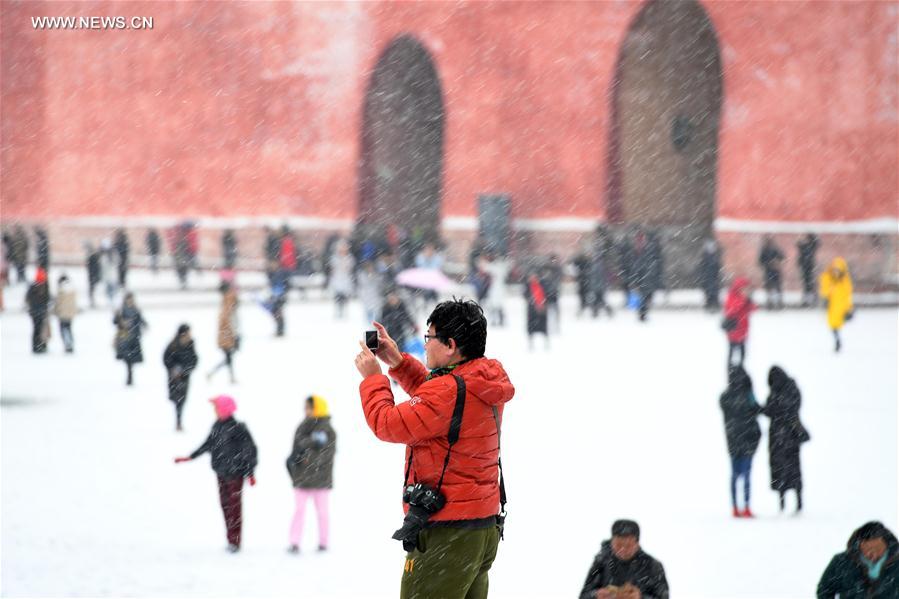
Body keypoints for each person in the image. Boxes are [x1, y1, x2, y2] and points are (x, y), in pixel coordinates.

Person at [354, 299, 514, 599]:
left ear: (450, 345)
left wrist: (374, 379)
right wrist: (398, 363)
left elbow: (386, 423)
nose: (424, 345)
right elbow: (439, 403)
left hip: (447, 533)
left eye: (429, 338)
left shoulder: (447, 392)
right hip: (480, 529)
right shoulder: (481, 378)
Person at [174, 395, 258, 553]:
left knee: (234, 508)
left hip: (235, 475)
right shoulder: (217, 426)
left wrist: (250, 472)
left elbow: (250, 451)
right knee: (225, 506)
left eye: (216, 407)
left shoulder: (239, 428)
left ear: (225, 409)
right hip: (220, 472)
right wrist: (190, 456)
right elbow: (208, 444)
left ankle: (235, 541)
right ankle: (230, 540)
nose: (214, 410)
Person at [287, 395, 337, 554]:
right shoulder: (301, 427)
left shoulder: (328, 430)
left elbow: (327, 454)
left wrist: (309, 459)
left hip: (321, 479)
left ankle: (323, 542)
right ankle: (294, 542)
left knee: (322, 512)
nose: (306, 411)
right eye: (305, 407)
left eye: (309, 407)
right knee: (299, 511)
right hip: (301, 478)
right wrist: (295, 463)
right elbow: (296, 450)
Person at [579, 520, 670, 599]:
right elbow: (583, 595)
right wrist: (595, 595)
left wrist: (641, 597)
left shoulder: (653, 565)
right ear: (612, 542)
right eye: (618, 544)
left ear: (637, 544)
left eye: (628, 545)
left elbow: (663, 597)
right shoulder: (601, 562)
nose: (622, 549)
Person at [763, 366, 809, 513]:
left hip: (778, 437)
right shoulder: (792, 389)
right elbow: (791, 408)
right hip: (791, 437)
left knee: (780, 469)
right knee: (794, 470)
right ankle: (798, 500)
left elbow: (770, 410)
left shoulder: (776, 392)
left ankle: (782, 502)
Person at [719, 365, 761, 518]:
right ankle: (747, 506)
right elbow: (758, 409)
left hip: (732, 440)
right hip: (748, 440)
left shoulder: (725, 397)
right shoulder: (747, 396)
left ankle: (735, 507)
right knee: (747, 475)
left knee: (734, 475)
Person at [817, 521, 899, 598]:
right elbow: (824, 590)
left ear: (886, 545)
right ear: (859, 545)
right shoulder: (841, 561)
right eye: (867, 549)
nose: (872, 554)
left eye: (877, 548)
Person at [164, 324, 198, 431]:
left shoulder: (190, 344)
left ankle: (179, 421)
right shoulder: (173, 345)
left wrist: (186, 369)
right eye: (188, 332)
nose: (189, 335)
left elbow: (194, 359)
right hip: (174, 378)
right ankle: (178, 421)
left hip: (185, 377)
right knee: (177, 399)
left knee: (182, 400)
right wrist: (174, 369)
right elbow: (166, 359)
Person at [819, 256, 853, 352]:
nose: (836, 272)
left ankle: (837, 340)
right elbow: (824, 289)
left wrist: (849, 309)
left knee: (835, 324)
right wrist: (825, 299)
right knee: (833, 324)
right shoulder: (828, 278)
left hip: (841, 306)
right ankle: (837, 340)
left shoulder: (845, 280)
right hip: (832, 305)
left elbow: (847, 295)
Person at [208, 282, 240, 383]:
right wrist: (234, 334)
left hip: (226, 333)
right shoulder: (228, 301)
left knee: (228, 357)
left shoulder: (227, 301)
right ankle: (229, 376)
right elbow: (229, 319)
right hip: (228, 334)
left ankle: (214, 373)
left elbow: (227, 318)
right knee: (228, 357)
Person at [113, 292, 147, 386]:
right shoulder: (121, 310)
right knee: (127, 357)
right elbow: (115, 322)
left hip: (134, 336)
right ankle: (129, 374)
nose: (130, 301)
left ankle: (130, 374)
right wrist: (118, 317)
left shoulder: (136, 310)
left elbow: (140, 320)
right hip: (125, 336)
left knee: (132, 357)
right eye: (128, 299)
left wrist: (145, 325)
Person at [722, 277, 756, 369]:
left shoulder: (746, 298)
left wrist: (749, 301)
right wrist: (743, 299)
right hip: (734, 330)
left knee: (742, 352)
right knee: (732, 351)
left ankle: (741, 368)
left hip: (743, 330)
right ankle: (730, 369)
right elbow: (730, 310)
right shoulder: (732, 296)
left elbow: (754, 309)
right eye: (744, 288)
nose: (746, 291)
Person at [380, 288, 417, 354]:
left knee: (401, 349)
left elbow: (407, 316)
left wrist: (413, 325)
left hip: (400, 331)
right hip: (390, 332)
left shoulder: (401, 305)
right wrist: (381, 332)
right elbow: (382, 321)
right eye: (390, 298)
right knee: (392, 350)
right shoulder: (385, 308)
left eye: (394, 297)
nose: (392, 299)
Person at [25, 267, 50, 354]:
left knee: (36, 329)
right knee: (40, 329)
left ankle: (36, 346)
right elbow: (48, 299)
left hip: (34, 312)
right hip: (41, 312)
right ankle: (40, 345)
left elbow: (27, 298)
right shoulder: (44, 286)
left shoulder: (33, 287)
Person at [481, 253, 509, 327]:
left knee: (496, 306)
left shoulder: (498, 267)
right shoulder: (500, 267)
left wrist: (482, 261)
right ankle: (497, 321)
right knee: (496, 306)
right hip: (496, 289)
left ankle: (498, 321)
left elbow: (486, 267)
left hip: (497, 289)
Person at [758, 235, 784, 310]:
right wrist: (769, 263)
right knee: (770, 288)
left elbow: (782, 257)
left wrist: (776, 262)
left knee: (777, 288)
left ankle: (778, 303)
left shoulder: (775, 249)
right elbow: (760, 261)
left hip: (775, 271)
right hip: (768, 271)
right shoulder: (764, 250)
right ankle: (770, 303)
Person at [329, 239, 354, 319]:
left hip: (346, 280)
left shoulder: (350, 258)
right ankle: (338, 312)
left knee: (345, 297)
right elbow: (332, 269)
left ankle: (345, 311)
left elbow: (350, 268)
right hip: (337, 280)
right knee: (338, 297)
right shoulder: (334, 258)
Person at [53, 274, 78, 353]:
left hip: (62, 313)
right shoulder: (72, 290)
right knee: (69, 329)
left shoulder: (61, 291)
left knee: (63, 330)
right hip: (70, 314)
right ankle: (70, 343)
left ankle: (67, 344)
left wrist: (55, 311)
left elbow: (58, 303)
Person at [525, 272, 549, 350]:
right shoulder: (528, 286)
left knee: (543, 328)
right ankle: (531, 344)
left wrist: (542, 305)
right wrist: (533, 304)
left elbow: (546, 296)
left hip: (541, 310)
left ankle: (546, 344)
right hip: (532, 311)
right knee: (531, 328)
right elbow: (526, 296)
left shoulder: (543, 285)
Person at [698, 238, 722, 311]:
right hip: (708, 278)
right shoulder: (705, 257)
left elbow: (717, 268)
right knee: (709, 293)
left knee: (714, 293)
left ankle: (714, 305)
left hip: (713, 278)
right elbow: (702, 268)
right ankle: (710, 305)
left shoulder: (715, 257)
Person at [797, 233, 819, 307]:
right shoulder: (808, 246)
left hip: (808, 268)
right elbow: (798, 245)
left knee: (809, 285)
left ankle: (810, 300)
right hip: (806, 268)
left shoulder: (810, 246)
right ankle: (808, 300)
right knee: (808, 285)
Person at [99, 239, 119, 306]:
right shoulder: (103, 255)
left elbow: (117, 261)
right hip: (107, 274)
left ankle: (112, 299)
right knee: (109, 288)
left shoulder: (113, 254)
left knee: (112, 287)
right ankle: (110, 299)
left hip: (112, 274)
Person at [85, 242, 101, 307]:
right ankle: (92, 301)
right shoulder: (95, 256)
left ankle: (92, 301)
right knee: (92, 289)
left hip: (92, 275)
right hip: (93, 275)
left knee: (92, 289)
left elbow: (93, 267)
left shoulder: (93, 257)